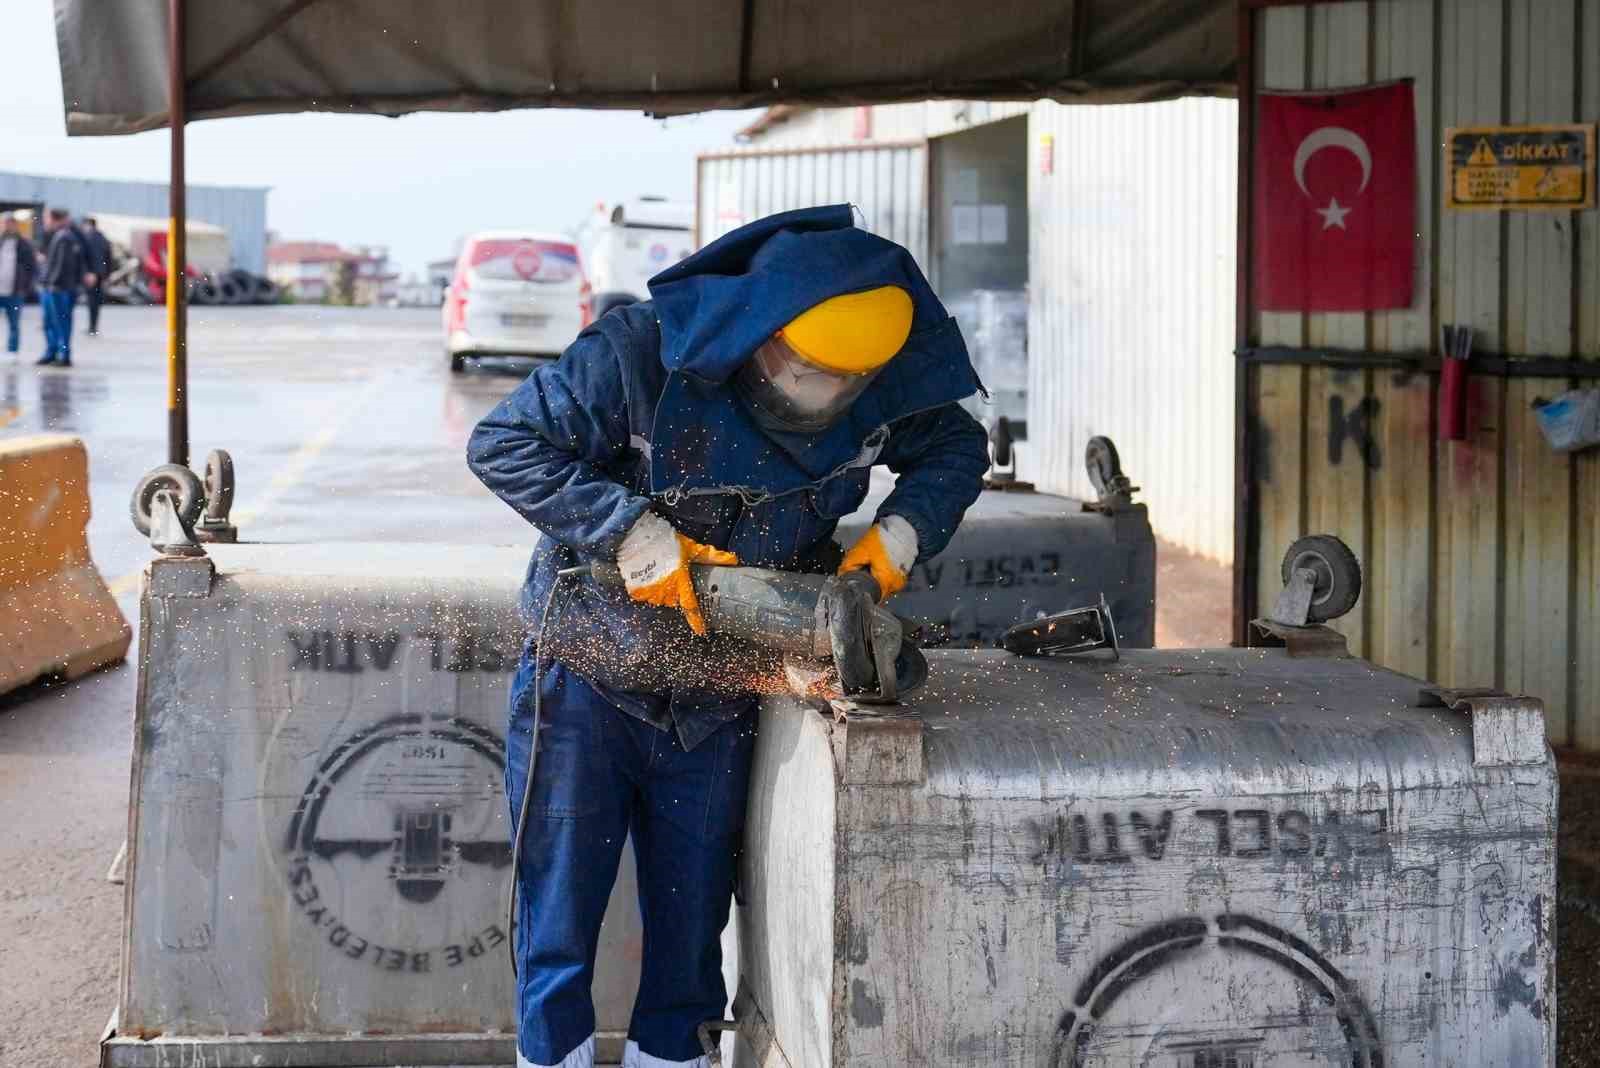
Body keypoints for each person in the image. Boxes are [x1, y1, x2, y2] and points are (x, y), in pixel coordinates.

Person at [467, 205, 990, 1068]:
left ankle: (671, 1058)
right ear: (758, 333)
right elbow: (505, 442)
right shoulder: (638, 353)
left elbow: (955, 452)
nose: (819, 397)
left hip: (726, 688)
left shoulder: (890, 378)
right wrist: (627, 530)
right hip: (586, 674)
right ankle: (548, 1058)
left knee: (693, 924)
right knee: (558, 918)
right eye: (804, 372)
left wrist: (896, 537)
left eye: (842, 384)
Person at [37, 208, 94, 367]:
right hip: (56, 286)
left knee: (61, 322)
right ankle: (53, 352)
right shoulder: (59, 236)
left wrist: (51, 283)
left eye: (47, 218)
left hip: (59, 288)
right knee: (52, 322)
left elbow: (63, 265)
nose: (45, 222)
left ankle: (63, 355)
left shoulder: (64, 237)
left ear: (55, 219)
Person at [0, 216, 37, 355]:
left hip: (15, 291)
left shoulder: (23, 244)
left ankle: (12, 350)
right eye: (4, 224)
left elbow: (32, 267)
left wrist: (25, 286)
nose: (6, 227)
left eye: (9, 224)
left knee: (14, 323)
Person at [81, 216, 112, 336]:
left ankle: (92, 327)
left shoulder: (89, 238)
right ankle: (94, 326)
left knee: (92, 301)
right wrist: (107, 275)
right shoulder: (103, 238)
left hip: (92, 274)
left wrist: (89, 272)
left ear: (89, 225)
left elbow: (88, 257)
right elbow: (109, 257)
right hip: (101, 274)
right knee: (97, 302)